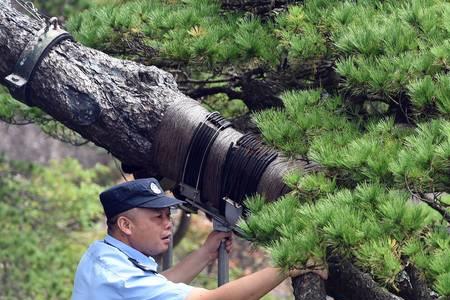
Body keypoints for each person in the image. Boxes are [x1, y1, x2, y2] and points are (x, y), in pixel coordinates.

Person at [72, 178, 327, 300]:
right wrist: (286, 266)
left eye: (167, 214)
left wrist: (206, 252)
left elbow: (157, 285)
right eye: (157, 217)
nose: (168, 223)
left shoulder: (104, 255)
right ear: (125, 225)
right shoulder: (116, 276)